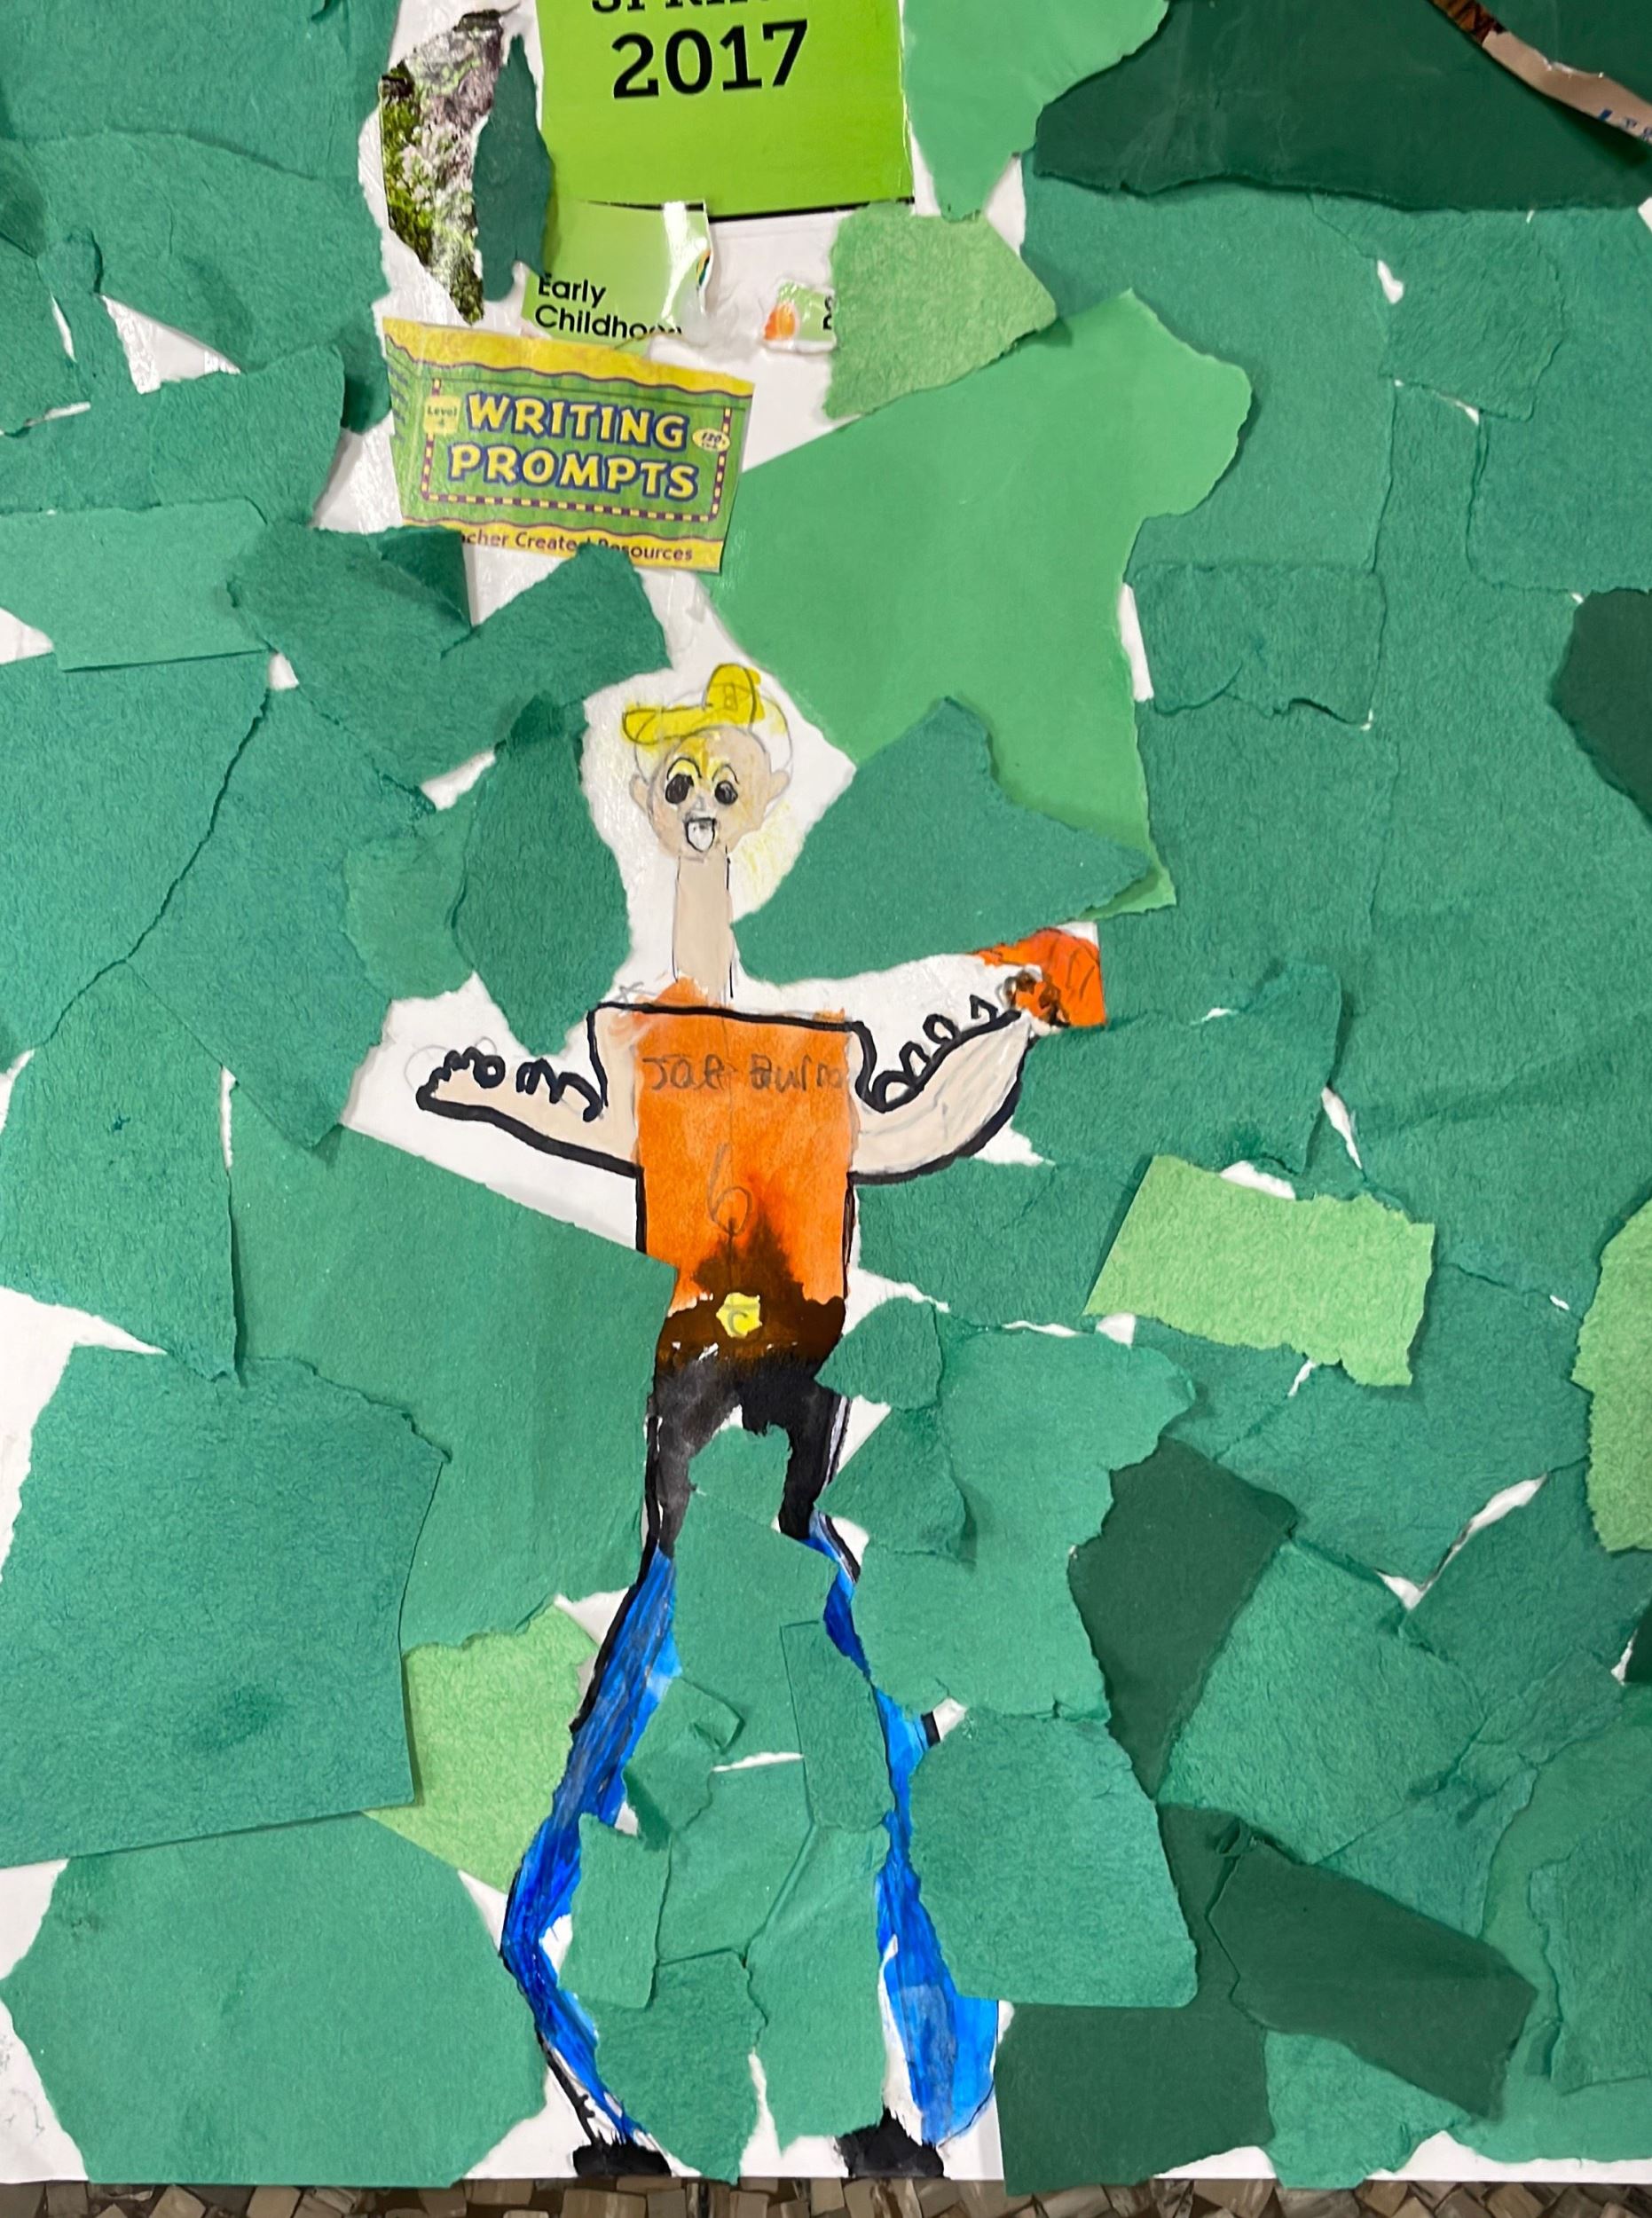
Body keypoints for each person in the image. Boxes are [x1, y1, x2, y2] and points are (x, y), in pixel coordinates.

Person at [420, 665, 1104, 2172]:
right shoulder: (668, 1068)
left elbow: (922, 1115)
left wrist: (1016, 1019)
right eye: (683, 791)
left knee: (833, 1777)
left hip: (776, 1501)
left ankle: (866, 2102)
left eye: (720, 791)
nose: (699, 814)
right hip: (707, 1496)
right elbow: (583, 1104)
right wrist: (478, 1090)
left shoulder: (802, 1084)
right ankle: (644, 2099)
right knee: (671, 1779)